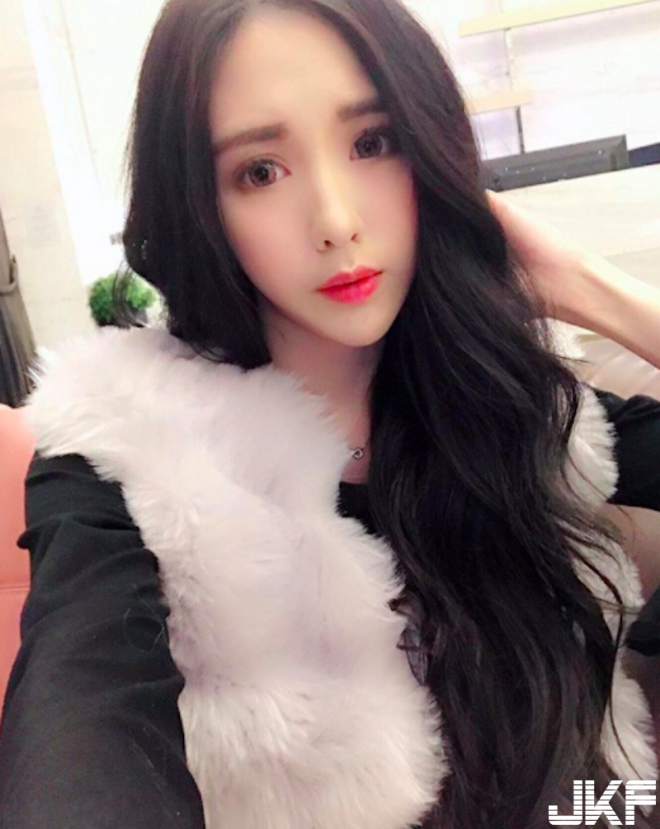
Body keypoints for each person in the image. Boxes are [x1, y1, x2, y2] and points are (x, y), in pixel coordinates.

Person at [0, 1, 659, 827]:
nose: (338, 222)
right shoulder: (129, 457)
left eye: (372, 143)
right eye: (260, 171)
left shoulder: (510, 403)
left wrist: (592, 287)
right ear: (198, 201)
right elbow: (82, 717)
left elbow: (603, 795)